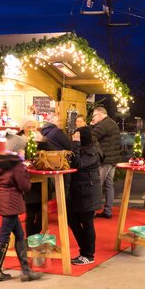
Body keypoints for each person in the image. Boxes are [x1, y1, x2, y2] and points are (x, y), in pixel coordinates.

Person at [0, 153, 42, 282]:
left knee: (19, 234)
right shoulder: (16, 166)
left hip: (1, 199)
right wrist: (26, 175)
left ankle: (26, 270)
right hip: (12, 201)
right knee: (4, 236)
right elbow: (24, 186)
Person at [26, 113, 73, 236]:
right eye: (29, 126)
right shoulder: (21, 140)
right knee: (31, 210)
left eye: (33, 126)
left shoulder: (42, 137)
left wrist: (42, 141)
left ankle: (35, 235)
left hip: (41, 180)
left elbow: (50, 149)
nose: (32, 129)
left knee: (40, 209)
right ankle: (30, 237)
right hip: (28, 181)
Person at [68, 126, 104, 265]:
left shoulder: (92, 152)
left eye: (77, 136)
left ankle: (88, 254)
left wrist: (75, 144)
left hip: (88, 191)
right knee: (72, 219)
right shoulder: (88, 149)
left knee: (87, 222)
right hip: (81, 190)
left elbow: (77, 164)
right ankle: (84, 251)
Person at [90, 106, 121, 219]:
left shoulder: (104, 124)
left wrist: (98, 151)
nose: (93, 119)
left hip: (105, 160)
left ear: (99, 114)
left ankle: (92, 211)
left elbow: (91, 136)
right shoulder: (112, 123)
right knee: (109, 186)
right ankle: (108, 211)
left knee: (97, 185)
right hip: (112, 160)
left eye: (93, 116)